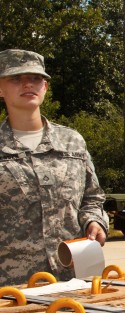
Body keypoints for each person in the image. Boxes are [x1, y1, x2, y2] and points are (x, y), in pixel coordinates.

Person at [0, 49, 108, 287]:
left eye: (36, 78)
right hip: (12, 287)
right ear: (1, 89)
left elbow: (92, 198)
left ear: (45, 87)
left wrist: (94, 222)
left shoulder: (72, 141)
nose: (28, 84)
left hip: (72, 279)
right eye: (16, 78)